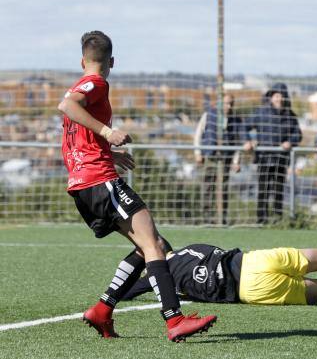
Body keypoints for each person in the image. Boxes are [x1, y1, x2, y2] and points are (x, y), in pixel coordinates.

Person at [58, 31, 217, 342]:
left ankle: (102, 311)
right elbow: (68, 106)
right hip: (99, 180)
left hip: (83, 183)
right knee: (155, 246)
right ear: (112, 62)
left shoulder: (80, 84)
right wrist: (108, 131)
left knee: (150, 246)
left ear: (82, 60)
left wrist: (108, 152)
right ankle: (174, 320)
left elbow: (73, 138)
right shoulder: (97, 83)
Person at [121, 224, 317, 306]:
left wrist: (112, 295)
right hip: (255, 259)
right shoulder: (192, 248)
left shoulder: (160, 274)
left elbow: (130, 289)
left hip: (253, 289)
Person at [249, 83, 302, 223]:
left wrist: (290, 142)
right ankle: (261, 220)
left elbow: (298, 134)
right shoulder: (261, 113)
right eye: (277, 96)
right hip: (264, 159)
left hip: (281, 160)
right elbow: (244, 126)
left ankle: (277, 220)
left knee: (279, 191)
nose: (280, 99)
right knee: (263, 190)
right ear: (271, 97)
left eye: (282, 96)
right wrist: (249, 141)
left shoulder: (290, 116)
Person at [194, 93, 248, 225]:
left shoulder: (236, 119)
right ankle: (206, 218)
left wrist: (236, 161)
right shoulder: (208, 115)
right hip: (210, 156)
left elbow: (238, 142)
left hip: (226, 158)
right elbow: (198, 133)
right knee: (207, 187)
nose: (228, 106)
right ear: (220, 102)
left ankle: (221, 219)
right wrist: (197, 152)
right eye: (226, 103)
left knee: (223, 188)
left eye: (231, 104)